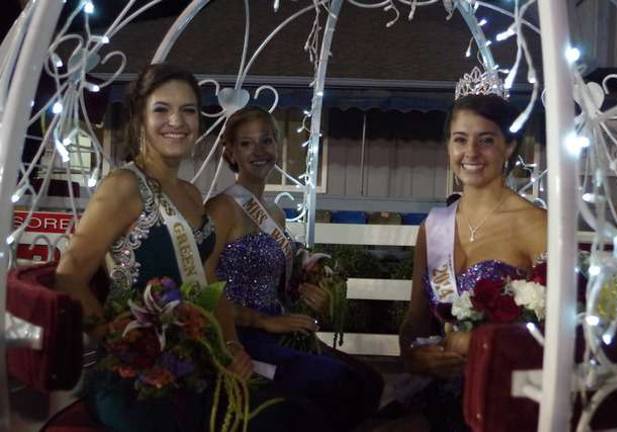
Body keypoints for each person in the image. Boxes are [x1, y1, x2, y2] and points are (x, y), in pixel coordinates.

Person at [54, 63, 297, 432]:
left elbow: (208, 281)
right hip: (135, 375)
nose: (177, 121)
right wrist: (123, 343)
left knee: (284, 412)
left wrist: (231, 347)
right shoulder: (122, 186)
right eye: (162, 109)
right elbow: (69, 277)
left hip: (194, 359)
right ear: (139, 119)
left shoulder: (192, 194)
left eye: (188, 110)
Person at [205, 106, 383, 431]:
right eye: (246, 144)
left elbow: (278, 285)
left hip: (279, 329)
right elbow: (202, 287)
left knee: (369, 380)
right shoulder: (221, 208)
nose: (259, 151)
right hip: (238, 332)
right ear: (230, 152)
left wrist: (309, 293)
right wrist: (260, 320)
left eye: (267, 140)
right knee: (337, 382)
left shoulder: (276, 215)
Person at [399, 86, 547, 430]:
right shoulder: (434, 226)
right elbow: (416, 318)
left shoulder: (536, 226)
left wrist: (482, 344)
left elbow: (563, 326)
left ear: (509, 146)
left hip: (506, 392)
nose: (471, 152)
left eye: (486, 140)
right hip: (439, 387)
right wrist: (412, 354)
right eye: (460, 139)